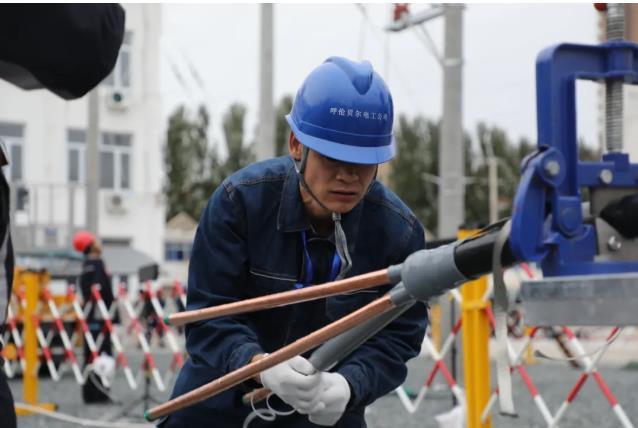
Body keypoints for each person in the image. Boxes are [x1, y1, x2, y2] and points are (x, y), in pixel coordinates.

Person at [163, 57, 428, 427]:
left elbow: (400, 334)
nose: (348, 176)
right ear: (296, 145)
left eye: (363, 162)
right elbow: (209, 318)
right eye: (333, 157)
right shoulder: (239, 203)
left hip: (324, 408)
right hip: (220, 399)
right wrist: (259, 365)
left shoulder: (398, 231)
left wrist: (351, 385)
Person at [73, 231, 116, 404]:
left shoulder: (84, 266)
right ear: (91, 245)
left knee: (89, 355)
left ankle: (89, 394)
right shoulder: (98, 264)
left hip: (89, 317)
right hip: (100, 317)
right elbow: (102, 291)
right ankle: (101, 393)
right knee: (103, 354)